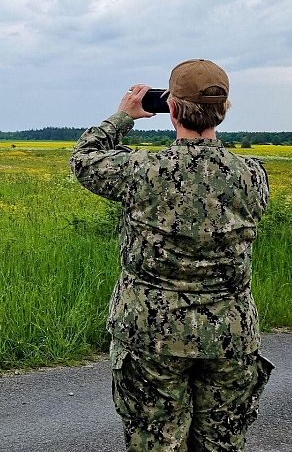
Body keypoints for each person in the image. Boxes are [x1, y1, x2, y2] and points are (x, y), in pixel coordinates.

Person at [70, 59, 274, 451]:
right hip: (229, 334)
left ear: (173, 108)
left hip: (152, 334)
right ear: (223, 110)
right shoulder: (252, 174)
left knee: (156, 440)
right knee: (221, 443)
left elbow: (84, 159)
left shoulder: (143, 169)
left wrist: (122, 117)